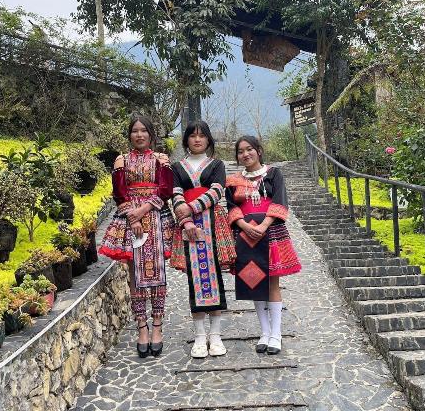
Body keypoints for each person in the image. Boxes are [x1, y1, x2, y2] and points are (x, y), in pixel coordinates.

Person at [99, 116, 174, 358]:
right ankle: (142, 326)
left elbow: (165, 189)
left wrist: (144, 210)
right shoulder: (121, 160)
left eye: (143, 131)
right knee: (135, 275)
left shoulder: (161, 159)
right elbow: (119, 192)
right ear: (129, 135)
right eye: (135, 131)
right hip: (130, 219)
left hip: (156, 216)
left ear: (151, 134)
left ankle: (157, 326)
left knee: (158, 272)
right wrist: (134, 218)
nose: (139, 135)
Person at [225, 136, 301, 355]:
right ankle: (264, 332)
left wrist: (264, 225)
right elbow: (231, 207)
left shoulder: (274, 174)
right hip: (245, 235)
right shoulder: (233, 181)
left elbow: (279, 201)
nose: (245, 154)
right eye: (240, 151)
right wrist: (243, 225)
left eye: (249, 149)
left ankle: (276, 334)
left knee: (272, 283)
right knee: (254, 281)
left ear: (258, 151)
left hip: (271, 232)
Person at [170, 121, 236, 359]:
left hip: (213, 224)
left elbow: (217, 191)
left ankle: (215, 335)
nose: (197, 140)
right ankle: (199, 336)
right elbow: (175, 194)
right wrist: (186, 220)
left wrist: (190, 208)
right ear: (186, 139)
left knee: (214, 276)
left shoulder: (217, 165)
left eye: (202, 136)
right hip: (188, 226)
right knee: (194, 279)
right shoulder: (177, 167)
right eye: (192, 136)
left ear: (208, 140)